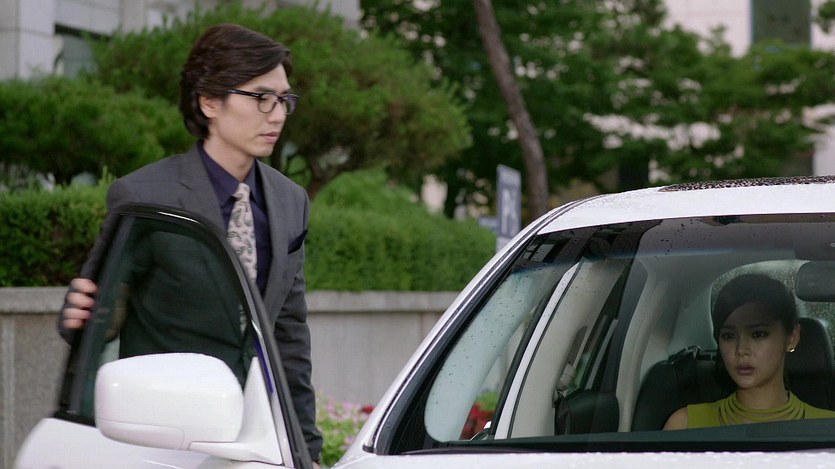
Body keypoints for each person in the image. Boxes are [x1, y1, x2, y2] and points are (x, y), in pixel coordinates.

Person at [59, 23, 323, 464]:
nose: (277, 115)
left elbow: (289, 336)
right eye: (261, 98)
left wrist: (305, 450)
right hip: (159, 439)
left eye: (284, 100)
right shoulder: (145, 196)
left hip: (251, 438)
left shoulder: (289, 201)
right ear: (209, 102)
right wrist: (82, 317)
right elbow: (96, 318)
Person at [664, 274, 835, 430]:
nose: (741, 350)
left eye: (758, 334)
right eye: (729, 336)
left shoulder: (828, 428)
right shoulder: (685, 425)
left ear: (792, 337)